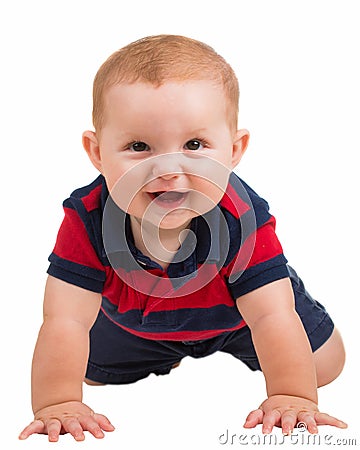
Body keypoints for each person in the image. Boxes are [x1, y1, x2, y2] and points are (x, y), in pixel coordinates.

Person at [19, 35, 347, 442]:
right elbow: (64, 318)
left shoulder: (242, 217)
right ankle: (161, 355)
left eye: (194, 145)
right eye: (139, 147)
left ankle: (286, 339)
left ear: (234, 149)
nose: (168, 169)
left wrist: (291, 395)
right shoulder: (88, 216)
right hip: (136, 324)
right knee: (88, 373)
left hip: (240, 317)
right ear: (98, 152)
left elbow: (270, 316)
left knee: (327, 365)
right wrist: (57, 401)